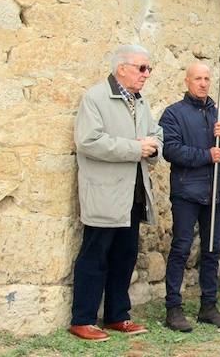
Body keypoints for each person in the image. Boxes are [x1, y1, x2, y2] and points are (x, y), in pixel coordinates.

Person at [68, 45, 162, 342]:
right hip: (105, 193)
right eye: (142, 68)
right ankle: (82, 319)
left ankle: (117, 316)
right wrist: (136, 148)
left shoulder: (141, 102)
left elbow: (156, 134)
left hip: (133, 192)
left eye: (148, 69)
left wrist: (153, 147)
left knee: (125, 256)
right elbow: (88, 141)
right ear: (122, 68)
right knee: (95, 256)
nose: (146, 74)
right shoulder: (96, 97)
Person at [159, 63, 220, 332]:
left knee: (212, 250)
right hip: (187, 192)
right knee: (181, 249)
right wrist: (206, 155)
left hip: (215, 192)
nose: (203, 83)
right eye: (198, 78)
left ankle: (209, 306)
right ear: (187, 81)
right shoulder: (173, 114)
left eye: (207, 78)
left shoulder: (219, 114)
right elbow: (171, 150)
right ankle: (174, 308)